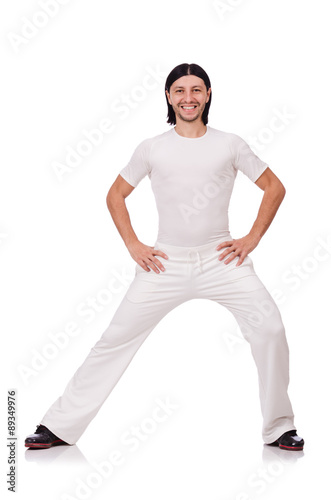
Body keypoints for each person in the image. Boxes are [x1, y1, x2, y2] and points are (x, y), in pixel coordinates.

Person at [25, 63, 304, 451]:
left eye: (195, 90)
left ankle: (279, 428)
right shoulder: (152, 147)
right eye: (179, 90)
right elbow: (115, 195)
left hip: (221, 259)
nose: (188, 98)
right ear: (169, 97)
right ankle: (58, 426)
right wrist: (134, 246)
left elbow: (274, 187)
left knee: (270, 328)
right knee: (114, 338)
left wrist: (252, 237)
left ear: (207, 95)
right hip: (165, 263)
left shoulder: (230, 143)